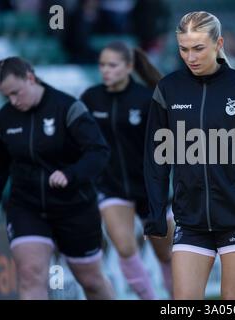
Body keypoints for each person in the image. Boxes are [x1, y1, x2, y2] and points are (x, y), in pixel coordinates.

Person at [143, 11, 235, 300]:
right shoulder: (168, 90)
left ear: (218, 43)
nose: (190, 57)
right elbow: (157, 160)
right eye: (184, 49)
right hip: (190, 220)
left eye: (198, 48)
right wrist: (156, 211)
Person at [0, 57, 114, 300]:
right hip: (27, 206)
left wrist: (70, 174)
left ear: (30, 78)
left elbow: (99, 152)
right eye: (6, 96)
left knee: (92, 281)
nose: (13, 101)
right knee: (31, 274)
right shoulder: (5, 118)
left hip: (74, 206)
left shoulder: (67, 108)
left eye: (16, 93)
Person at [81, 42, 174, 299]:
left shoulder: (147, 98)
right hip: (111, 186)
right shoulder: (91, 98)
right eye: (102, 65)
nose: (105, 71)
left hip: (149, 187)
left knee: (165, 254)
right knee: (124, 248)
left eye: (112, 65)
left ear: (129, 67)